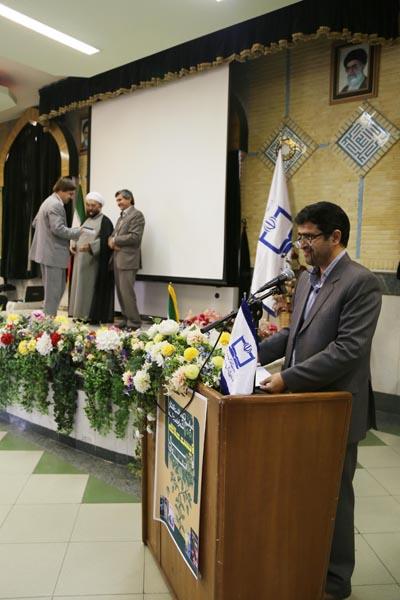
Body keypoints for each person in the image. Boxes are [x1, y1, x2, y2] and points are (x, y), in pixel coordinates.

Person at [258, 202, 382, 600]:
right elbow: (293, 336)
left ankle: (336, 581)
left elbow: (347, 350)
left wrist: (286, 378)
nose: (302, 245)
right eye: (299, 237)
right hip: (301, 404)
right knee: (303, 491)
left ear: (335, 237)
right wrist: (245, 351)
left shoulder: (360, 282)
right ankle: (306, 560)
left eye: (309, 237)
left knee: (334, 497)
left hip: (334, 408)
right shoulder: (309, 278)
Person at [29, 177, 82, 316]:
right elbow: (58, 229)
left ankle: (47, 319)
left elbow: (35, 223)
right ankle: (48, 322)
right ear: (61, 191)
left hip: (46, 253)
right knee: (54, 292)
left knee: (54, 290)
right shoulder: (56, 205)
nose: (71, 197)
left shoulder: (47, 201)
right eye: (70, 194)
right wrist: (78, 232)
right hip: (52, 254)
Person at [69, 191, 114, 323]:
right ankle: (78, 314)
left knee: (87, 290)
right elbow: (80, 234)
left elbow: (106, 241)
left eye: (93, 205)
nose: (90, 208)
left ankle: (88, 316)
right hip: (80, 261)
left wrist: (91, 247)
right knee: (79, 289)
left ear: (100, 206)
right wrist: (74, 244)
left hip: (93, 263)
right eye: (88, 205)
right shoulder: (86, 220)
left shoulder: (105, 221)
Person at [108, 189, 145, 329]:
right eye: (117, 200)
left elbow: (135, 237)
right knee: (120, 292)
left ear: (129, 199)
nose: (118, 203)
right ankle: (126, 318)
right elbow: (113, 235)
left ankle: (134, 322)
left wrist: (115, 240)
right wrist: (110, 240)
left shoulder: (137, 215)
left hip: (128, 260)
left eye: (120, 199)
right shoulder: (122, 216)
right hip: (118, 259)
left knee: (127, 292)